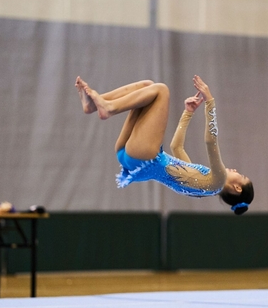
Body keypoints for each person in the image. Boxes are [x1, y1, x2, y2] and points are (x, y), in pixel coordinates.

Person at [75, 75, 254, 215]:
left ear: (237, 188)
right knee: (148, 86)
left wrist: (210, 102)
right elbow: (176, 147)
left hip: (145, 157)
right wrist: (188, 113)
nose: (236, 170)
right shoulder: (203, 186)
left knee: (161, 90)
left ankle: (109, 107)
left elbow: (210, 141)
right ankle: (93, 104)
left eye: (242, 175)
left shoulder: (218, 181)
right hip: (132, 157)